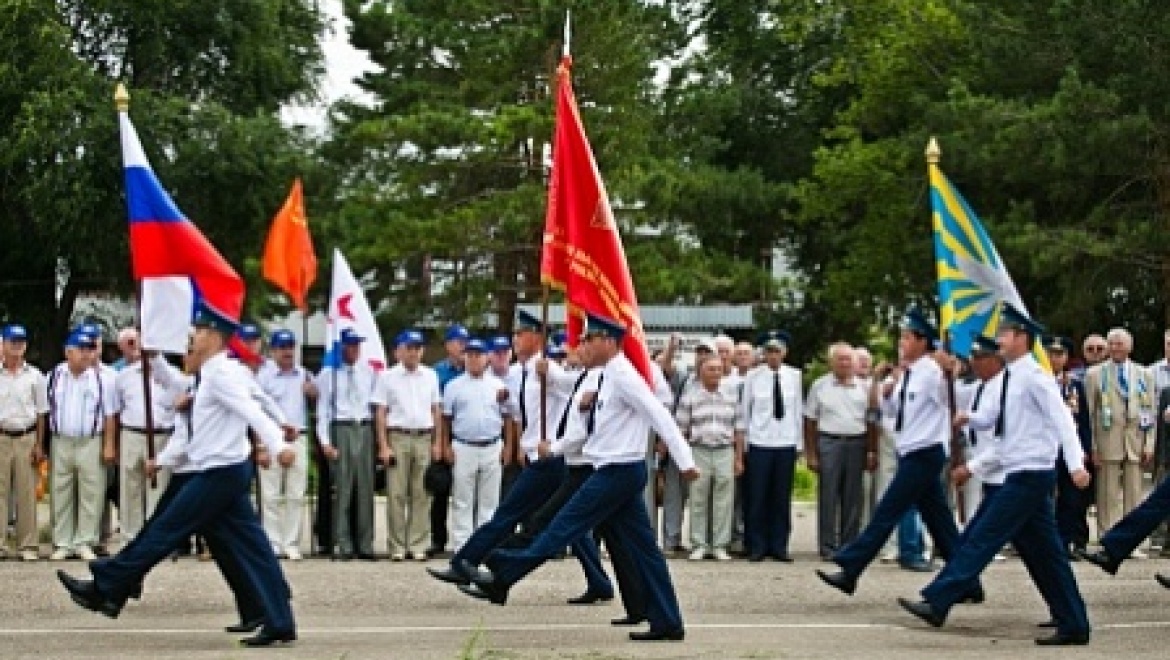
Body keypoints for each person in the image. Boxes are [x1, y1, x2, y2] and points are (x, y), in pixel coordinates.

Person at [57, 302, 301, 647]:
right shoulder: (213, 372)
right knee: (248, 547)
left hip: (219, 472)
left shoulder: (221, 374)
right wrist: (152, 356)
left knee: (165, 529)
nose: (193, 338)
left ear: (215, 337)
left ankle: (107, 587)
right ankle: (269, 614)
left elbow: (250, 408)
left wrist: (277, 444)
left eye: (199, 332)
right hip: (218, 470)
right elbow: (246, 397)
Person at [461, 311, 699, 643]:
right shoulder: (602, 377)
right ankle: (668, 620)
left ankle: (501, 577)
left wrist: (684, 459)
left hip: (619, 471)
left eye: (590, 338)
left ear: (609, 342)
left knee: (561, 527)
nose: (583, 343)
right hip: (614, 471)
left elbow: (659, 414)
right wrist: (555, 449)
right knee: (644, 550)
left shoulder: (625, 375)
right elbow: (587, 434)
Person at [899, 304, 1092, 647]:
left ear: (1022, 338)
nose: (999, 338)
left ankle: (938, 600)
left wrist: (1076, 464)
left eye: (1005, 333)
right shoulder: (1010, 378)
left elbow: (1063, 419)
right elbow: (1001, 428)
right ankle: (1073, 621)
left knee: (983, 536)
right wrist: (968, 424)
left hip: (1031, 475)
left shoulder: (1035, 377)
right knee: (1044, 555)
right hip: (1016, 470)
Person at [817, 308, 981, 598]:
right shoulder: (908, 374)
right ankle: (968, 581)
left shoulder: (932, 373)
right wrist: (886, 392)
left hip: (925, 452)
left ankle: (851, 568)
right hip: (910, 450)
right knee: (940, 522)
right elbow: (893, 412)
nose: (901, 343)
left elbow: (951, 399)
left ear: (922, 341)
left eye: (907, 338)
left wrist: (951, 371)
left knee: (887, 511)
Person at [425, 311, 572, 586]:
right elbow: (523, 412)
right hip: (536, 457)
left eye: (521, 334)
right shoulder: (525, 371)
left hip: (549, 459)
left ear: (537, 337)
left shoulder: (546, 368)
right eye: (515, 334)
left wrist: (558, 375)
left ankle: (468, 563)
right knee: (553, 521)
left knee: (510, 514)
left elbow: (575, 388)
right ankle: (485, 567)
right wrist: (507, 399)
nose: (515, 339)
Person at [47, 330, 116, 561]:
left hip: (90, 441)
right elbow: (45, 409)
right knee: (60, 491)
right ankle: (63, 542)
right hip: (62, 440)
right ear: (68, 352)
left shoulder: (102, 378)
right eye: (81, 349)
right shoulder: (54, 375)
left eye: (89, 349)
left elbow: (110, 415)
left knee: (91, 493)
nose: (87, 354)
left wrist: (109, 445)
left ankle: (85, 541)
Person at [374, 329, 442, 561]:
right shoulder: (387, 377)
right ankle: (396, 545)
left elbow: (436, 410)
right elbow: (381, 412)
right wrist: (383, 445)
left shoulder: (430, 375)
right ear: (398, 351)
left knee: (421, 493)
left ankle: (418, 543)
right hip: (398, 436)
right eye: (409, 348)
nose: (413, 353)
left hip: (424, 436)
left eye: (417, 348)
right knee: (396, 493)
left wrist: (438, 442)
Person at [1084, 327, 1154, 546]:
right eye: (1111, 344)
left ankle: (1134, 541)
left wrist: (1149, 443)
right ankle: (1108, 539)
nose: (1115, 348)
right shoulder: (1094, 374)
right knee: (1107, 495)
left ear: (1129, 347)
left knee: (1135, 494)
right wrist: (1092, 446)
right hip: (1107, 440)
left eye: (1119, 343)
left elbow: (1149, 411)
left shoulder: (1144, 374)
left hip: (1135, 439)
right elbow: (1089, 413)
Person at [805, 342, 873, 559]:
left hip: (857, 442)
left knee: (853, 496)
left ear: (855, 362)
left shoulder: (865, 387)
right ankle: (827, 545)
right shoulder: (820, 386)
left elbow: (872, 420)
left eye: (848, 359)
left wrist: (872, 450)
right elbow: (810, 421)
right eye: (840, 359)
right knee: (828, 494)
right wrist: (811, 453)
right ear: (831, 362)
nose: (844, 363)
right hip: (829, 442)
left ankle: (849, 545)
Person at [441, 338, 509, 552]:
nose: (473, 359)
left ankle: (484, 546)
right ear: (464, 358)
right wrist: (445, 445)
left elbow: (508, 417)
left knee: (489, 500)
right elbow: (445, 419)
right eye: (469, 355)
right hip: (464, 445)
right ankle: (462, 546)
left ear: (486, 358)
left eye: (478, 355)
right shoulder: (453, 386)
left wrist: (508, 447)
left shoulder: (498, 386)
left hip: (492, 445)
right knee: (462, 498)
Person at [740, 330, 802, 562]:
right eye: (769, 351)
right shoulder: (753, 377)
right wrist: (745, 444)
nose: (773, 356)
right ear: (763, 354)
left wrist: (799, 444)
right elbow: (745, 411)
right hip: (760, 441)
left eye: (777, 351)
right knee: (757, 496)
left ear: (785, 353)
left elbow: (797, 411)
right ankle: (757, 545)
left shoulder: (794, 376)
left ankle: (779, 545)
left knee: (781, 497)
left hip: (785, 441)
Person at [315, 328, 378, 560]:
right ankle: (342, 542)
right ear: (341, 347)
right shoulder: (329, 374)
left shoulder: (369, 372)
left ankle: (365, 542)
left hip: (363, 428)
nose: (354, 350)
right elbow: (323, 411)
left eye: (357, 345)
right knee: (342, 488)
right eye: (350, 345)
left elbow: (374, 406)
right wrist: (325, 441)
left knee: (365, 487)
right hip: (340, 427)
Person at [111, 327, 179, 542]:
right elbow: (115, 410)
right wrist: (113, 444)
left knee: (159, 490)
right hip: (132, 433)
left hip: (162, 435)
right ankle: (130, 537)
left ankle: (155, 538)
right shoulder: (124, 377)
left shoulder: (173, 375)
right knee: (130, 488)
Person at [676, 354, 744, 561]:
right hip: (699, 449)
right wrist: (684, 459)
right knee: (698, 498)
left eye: (718, 368)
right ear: (700, 372)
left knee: (724, 500)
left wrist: (739, 457)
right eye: (710, 369)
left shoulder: (731, 394)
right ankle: (699, 544)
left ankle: (719, 545)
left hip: (725, 449)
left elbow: (739, 428)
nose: (716, 372)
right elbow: (681, 429)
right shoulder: (690, 395)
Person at [256, 329, 314, 560]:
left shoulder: (304, 375)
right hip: (272, 438)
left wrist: (312, 393)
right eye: (282, 347)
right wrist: (260, 445)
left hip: (298, 436)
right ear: (273, 351)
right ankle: (272, 541)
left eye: (290, 347)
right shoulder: (263, 376)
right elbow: (257, 411)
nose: (287, 352)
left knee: (295, 493)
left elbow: (316, 402)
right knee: (270, 494)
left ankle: (291, 542)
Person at [0, 324, 47, 561]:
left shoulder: (35, 376)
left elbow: (41, 413)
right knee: (0, 491)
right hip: (1, 436)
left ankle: (28, 545)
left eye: (21, 342)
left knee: (27, 492)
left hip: (26, 436)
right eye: (12, 342)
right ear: (3, 344)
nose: (17, 346)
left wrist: (39, 444)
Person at [1045, 336, 1092, 557]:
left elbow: (1083, 420)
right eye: (1050, 353)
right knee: (1044, 497)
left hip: (1070, 449)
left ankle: (1064, 543)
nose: (1054, 358)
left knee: (1071, 499)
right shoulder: (1040, 382)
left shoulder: (1074, 384)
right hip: (1045, 448)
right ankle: (1046, 543)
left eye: (1059, 354)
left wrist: (1085, 450)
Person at [430, 323, 469, 556]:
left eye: (465, 341)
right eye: (458, 342)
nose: (463, 346)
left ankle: (465, 538)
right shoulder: (437, 373)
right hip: (443, 432)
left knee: (466, 491)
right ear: (447, 346)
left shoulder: (474, 370)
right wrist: (440, 442)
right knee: (441, 489)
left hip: (465, 433)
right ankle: (438, 538)